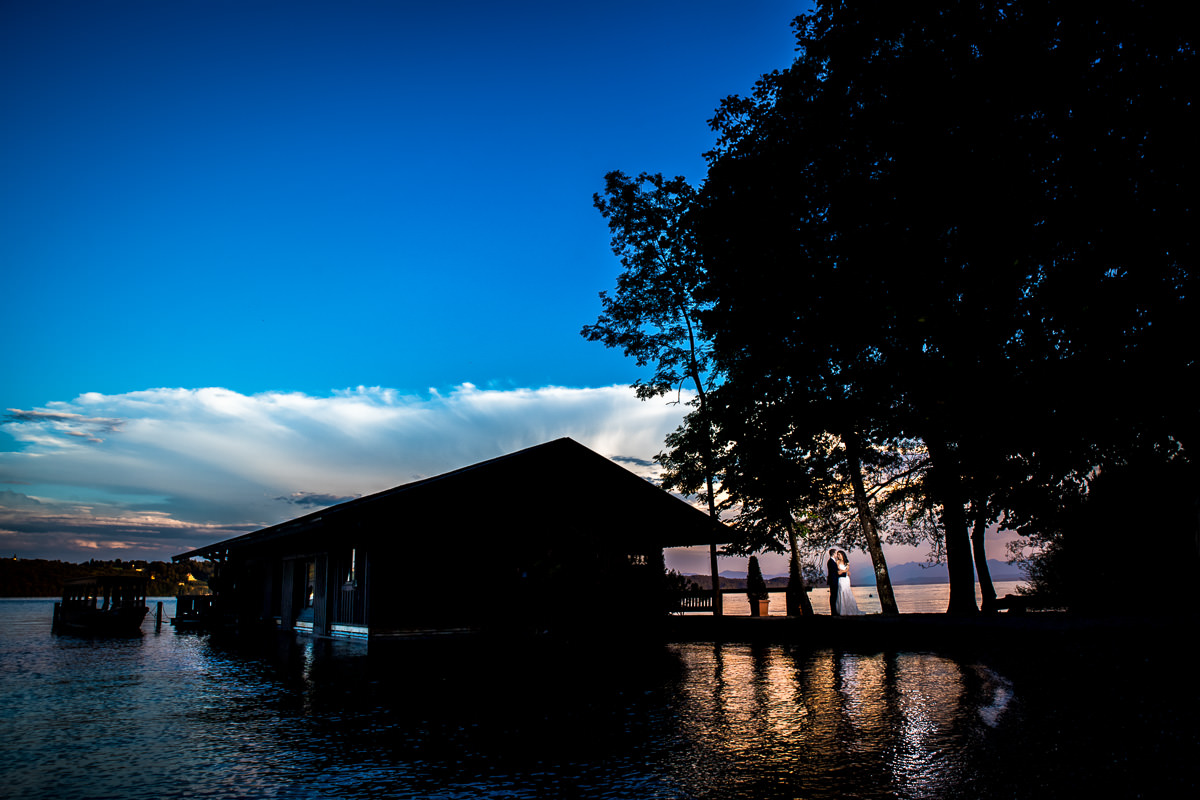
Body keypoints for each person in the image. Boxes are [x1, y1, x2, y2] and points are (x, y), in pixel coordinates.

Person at [835, 550, 861, 616]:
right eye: (838, 555)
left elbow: (847, 570)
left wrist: (843, 571)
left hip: (846, 579)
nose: (838, 556)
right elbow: (838, 571)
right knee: (841, 591)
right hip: (841, 579)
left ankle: (849, 609)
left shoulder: (847, 562)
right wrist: (845, 571)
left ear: (843, 555)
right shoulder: (837, 562)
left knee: (847, 591)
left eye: (839, 554)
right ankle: (842, 610)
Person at [827, 549, 840, 615]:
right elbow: (835, 572)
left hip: (833, 580)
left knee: (834, 596)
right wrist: (844, 574)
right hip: (833, 581)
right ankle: (833, 612)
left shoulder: (832, 561)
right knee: (833, 596)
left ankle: (834, 611)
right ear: (833, 554)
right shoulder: (831, 562)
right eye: (836, 553)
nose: (836, 555)